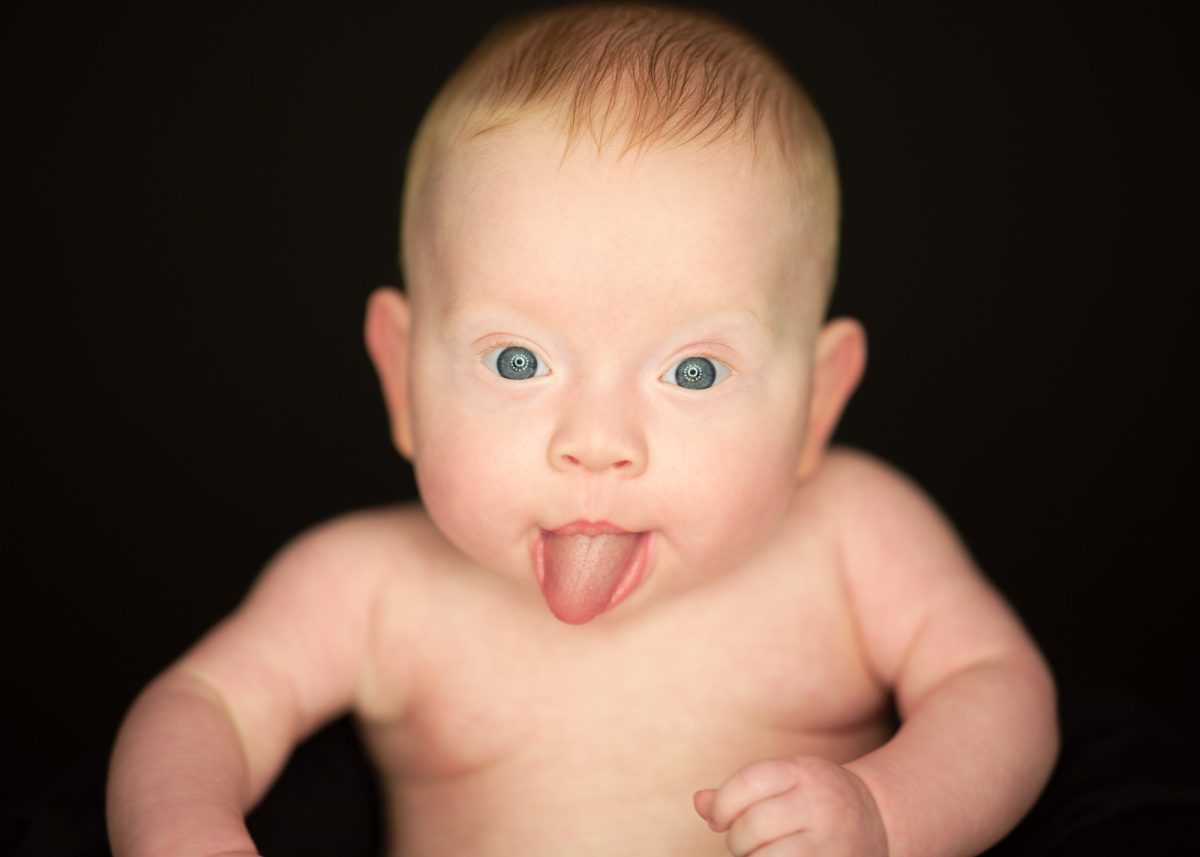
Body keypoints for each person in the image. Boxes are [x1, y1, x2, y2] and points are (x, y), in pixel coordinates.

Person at [105, 5, 1058, 855]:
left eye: (692, 371)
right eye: (518, 361)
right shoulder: (370, 586)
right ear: (400, 376)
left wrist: (887, 813)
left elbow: (999, 686)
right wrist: (186, 831)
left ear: (816, 402)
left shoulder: (855, 534)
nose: (597, 440)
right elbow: (204, 705)